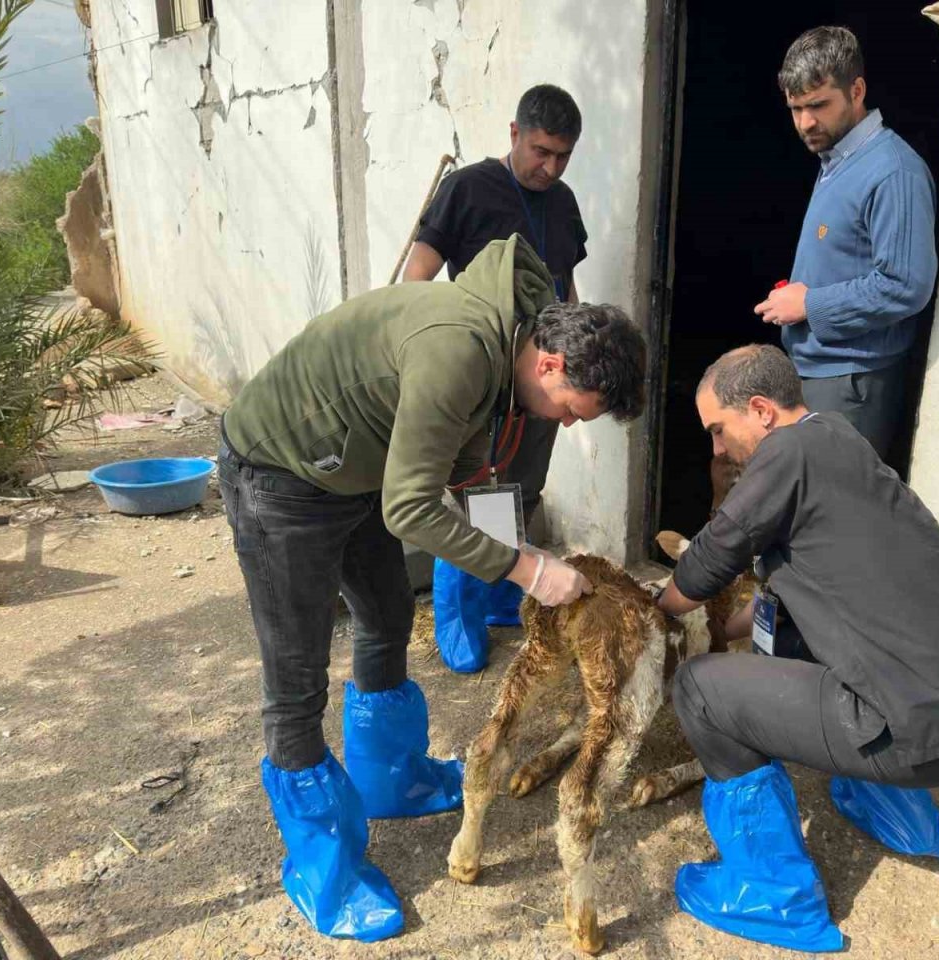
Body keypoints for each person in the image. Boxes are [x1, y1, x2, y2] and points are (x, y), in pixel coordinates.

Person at [218, 235, 646, 942]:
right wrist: (530, 571)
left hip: (356, 469)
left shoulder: (508, 344)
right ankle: (323, 868)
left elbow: (461, 463)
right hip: (283, 472)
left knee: (387, 613)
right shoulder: (459, 351)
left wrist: (517, 546)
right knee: (296, 676)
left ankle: (390, 777)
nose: (569, 423)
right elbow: (409, 509)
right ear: (550, 361)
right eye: (575, 406)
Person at [656, 344, 939, 951]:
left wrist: (652, 612)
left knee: (699, 690)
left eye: (719, 429)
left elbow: (710, 560)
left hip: (915, 734)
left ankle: (773, 896)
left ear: (762, 411)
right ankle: (903, 819)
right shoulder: (837, 439)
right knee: (800, 644)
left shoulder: (785, 452)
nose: (716, 449)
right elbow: (785, 595)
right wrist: (723, 632)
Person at [403, 84, 589, 671]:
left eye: (563, 155)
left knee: (524, 489)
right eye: (540, 151)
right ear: (514, 134)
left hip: (547, 382)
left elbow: (568, 290)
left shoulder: (563, 202)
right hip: (484, 378)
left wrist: (580, 360)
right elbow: (416, 280)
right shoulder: (467, 190)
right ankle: (458, 618)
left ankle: (505, 597)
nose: (550, 167)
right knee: (473, 497)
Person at [753, 26, 938, 463]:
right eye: (795, 108)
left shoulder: (893, 171)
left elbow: (905, 284)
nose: (805, 123)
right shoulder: (837, 159)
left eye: (818, 105)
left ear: (857, 90)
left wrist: (810, 303)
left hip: (853, 383)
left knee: (834, 514)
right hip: (821, 372)